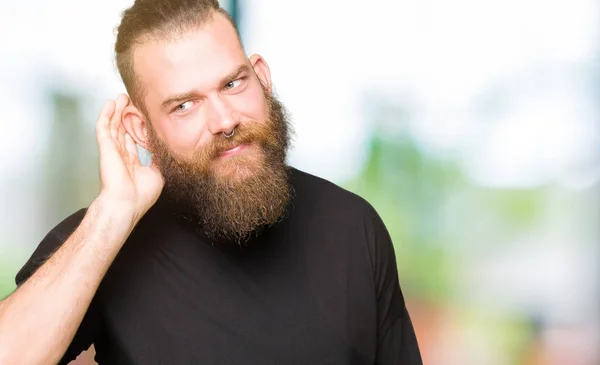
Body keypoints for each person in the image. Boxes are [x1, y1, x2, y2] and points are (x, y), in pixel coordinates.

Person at [0, 0, 422, 364]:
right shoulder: (101, 238)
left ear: (262, 76)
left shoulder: (352, 227)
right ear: (140, 128)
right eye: (184, 105)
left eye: (233, 83)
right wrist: (111, 216)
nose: (224, 121)